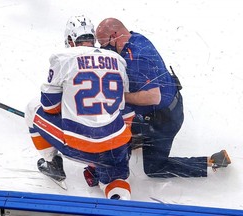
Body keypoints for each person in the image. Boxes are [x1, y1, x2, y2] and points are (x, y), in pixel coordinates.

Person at [95, 18, 231, 178]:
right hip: (170, 102)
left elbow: (153, 97)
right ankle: (138, 137)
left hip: (164, 120)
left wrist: (120, 97)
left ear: (115, 35)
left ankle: (209, 162)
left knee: (154, 169)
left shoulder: (138, 58)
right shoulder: (136, 38)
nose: (105, 48)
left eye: (104, 44)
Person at [25, 15, 134, 200]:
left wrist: (70, 105)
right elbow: (123, 105)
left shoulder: (63, 57)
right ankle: (115, 190)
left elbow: (50, 107)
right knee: (116, 182)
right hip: (115, 145)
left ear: (70, 39)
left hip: (80, 145)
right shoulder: (118, 59)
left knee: (32, 107)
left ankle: (52, 163)